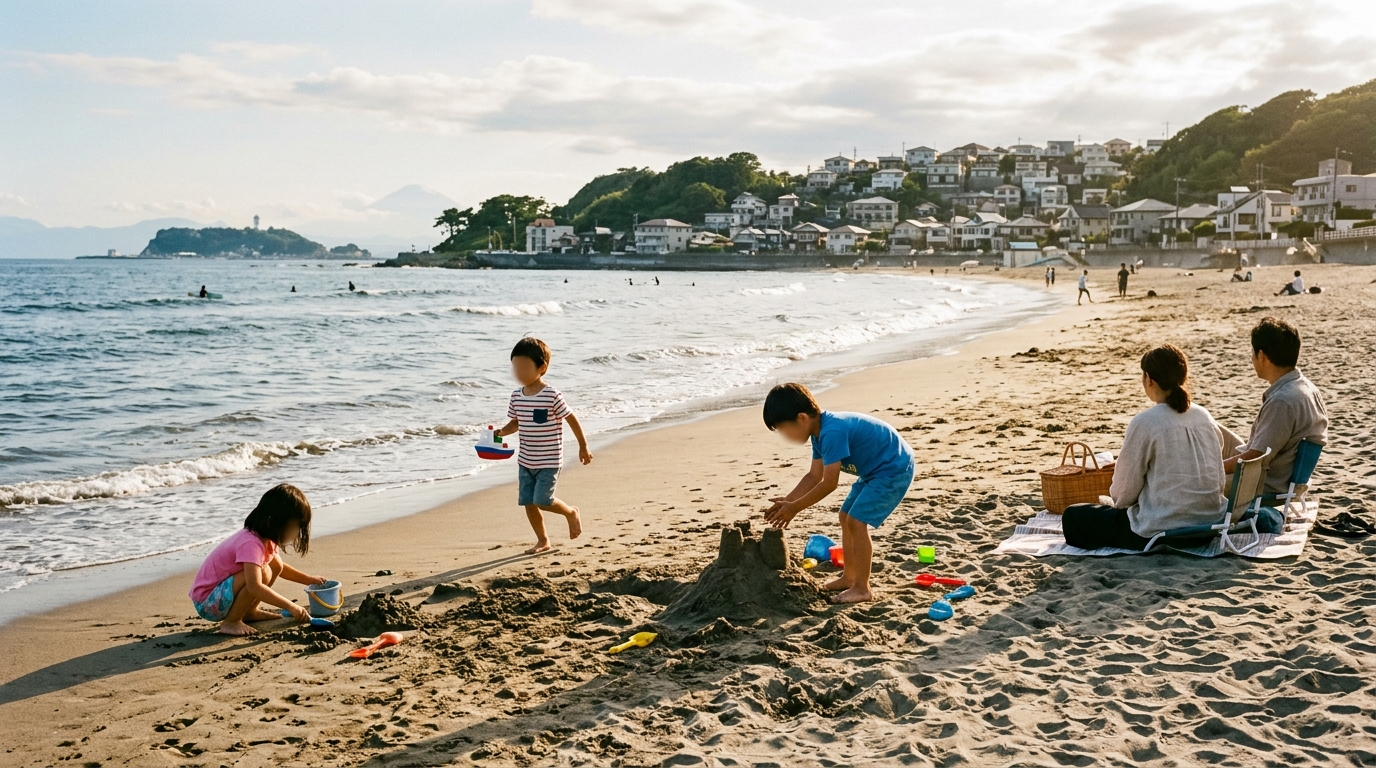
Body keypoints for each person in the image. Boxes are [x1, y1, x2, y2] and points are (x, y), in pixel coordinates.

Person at [762, 383, 915, 604]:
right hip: (874, 470)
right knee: (845, 517)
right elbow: (814, 475)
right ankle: (849, 577)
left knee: (856, 521)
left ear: (802, 418)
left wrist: (795, 508)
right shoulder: (818, 434)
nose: (785, 436)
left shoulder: (832, 432)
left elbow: (829, 483)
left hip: (893, 468)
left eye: (784, 429)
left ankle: (862, 588)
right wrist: (789, 500)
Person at [1062, 346, 1226, 550]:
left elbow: (1122, 496)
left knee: (1073, 516)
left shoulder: (1145, 422)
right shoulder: (1204, 416)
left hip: (1163, 530)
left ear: (1149, 379)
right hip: (1209, 525)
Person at [495, 337, 592, 554]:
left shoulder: (551, 395)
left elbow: (571, 418)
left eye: (524, 368)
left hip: (548, 460)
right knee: (528, 503)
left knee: (542, 500)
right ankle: (542, 540)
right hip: (526, 460)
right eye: (515, 368)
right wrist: (501, 432)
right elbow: (516, 422)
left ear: (542, 368)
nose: (519, 373)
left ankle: (570, 512)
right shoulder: (516, 396)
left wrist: (583, 446)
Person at [189, 483, 325, 636]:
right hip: (207, 603)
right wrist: (290, 606)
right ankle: (231, 622)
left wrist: (308, 579)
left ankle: (248, 611)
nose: (296, 534)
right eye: (294, 527)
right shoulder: (250, 543)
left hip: (219, 597)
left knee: (275, 565)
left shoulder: (267, 539)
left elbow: (281, 569)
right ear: (275, 522)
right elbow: (254, 587)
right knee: (263, 573)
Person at [1221, 318, 1328, 496]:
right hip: (1278, 471)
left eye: (1253, 353)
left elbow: (1255, 458)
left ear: (1262, 355)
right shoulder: (1305, 388)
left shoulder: (1282, 401)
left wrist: (1213, 469)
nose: (1252, 358)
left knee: (1193, 483)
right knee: (1209, 425)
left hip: (1262, 484)